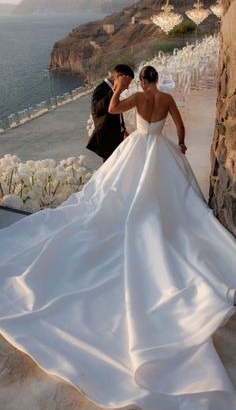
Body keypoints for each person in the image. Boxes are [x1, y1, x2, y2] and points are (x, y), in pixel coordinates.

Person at [0, 65, 236, 410]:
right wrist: (181, 144)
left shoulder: (137, 97)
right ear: (158, 80)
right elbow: (181, 127)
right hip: (161, 149)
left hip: (137, 150)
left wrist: (119, 89)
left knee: (116, 194)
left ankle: (136, 219)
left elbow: (112, 110)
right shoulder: (167, 98)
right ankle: (159, 222)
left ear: (143, 80)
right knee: (172, 199)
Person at [86, 63, 134, 161]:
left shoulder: (113, 90)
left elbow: (116, 112)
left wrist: (123, 129)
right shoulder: (101, 88)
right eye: (126, 84)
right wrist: (116, 90)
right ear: (118, 77)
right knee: (110, 171)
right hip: (107, 139)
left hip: (116, 137)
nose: (127, 88)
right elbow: (96, 110)